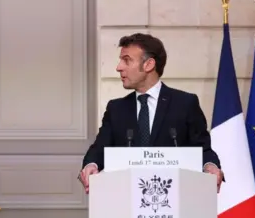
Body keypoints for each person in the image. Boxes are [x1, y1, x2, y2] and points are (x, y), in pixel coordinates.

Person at [80, 33, 223, 194]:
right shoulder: (116, 108)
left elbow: (202, 149)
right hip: (126, 199)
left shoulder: (185, 103)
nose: (119, 67)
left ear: (149, 65)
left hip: (175, 199)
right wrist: (91, 165)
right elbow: (100, 148)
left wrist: (210, 166)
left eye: (126, 60)